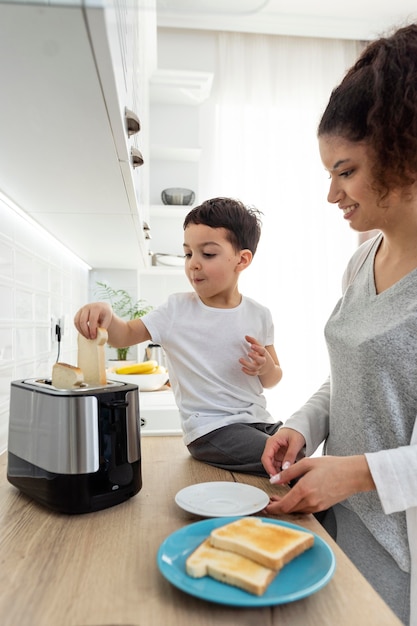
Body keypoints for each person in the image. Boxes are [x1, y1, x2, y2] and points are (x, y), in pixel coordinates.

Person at [261, 24, 417, 625]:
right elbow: (351, 376)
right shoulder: (361, 259)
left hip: (400, 556)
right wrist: (302, 424)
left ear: (406, 155)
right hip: (339, 524)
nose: (332, 194)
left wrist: (350, 474)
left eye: (345, 171)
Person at [75, 197, 283, 475]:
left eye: (207, 254)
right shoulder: (176, 310)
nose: (193, 264)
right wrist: (106, 314)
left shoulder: (260, 314)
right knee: (280, 459)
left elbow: (273, 379)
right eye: (188, 254)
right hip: (211, 429)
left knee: (296, 447)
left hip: (257, 421)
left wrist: (266, 367)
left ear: (242, 260)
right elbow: (123, 335)